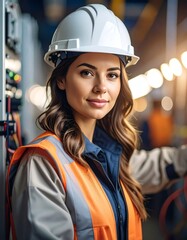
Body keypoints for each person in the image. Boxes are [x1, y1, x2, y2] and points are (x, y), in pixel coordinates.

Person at [6, 3, 187, 240]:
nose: (102, 87)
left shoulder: (107, 152)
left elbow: (149, 166)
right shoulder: (43, 164)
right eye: (87, 72)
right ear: (61, 79)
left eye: (112, 75)